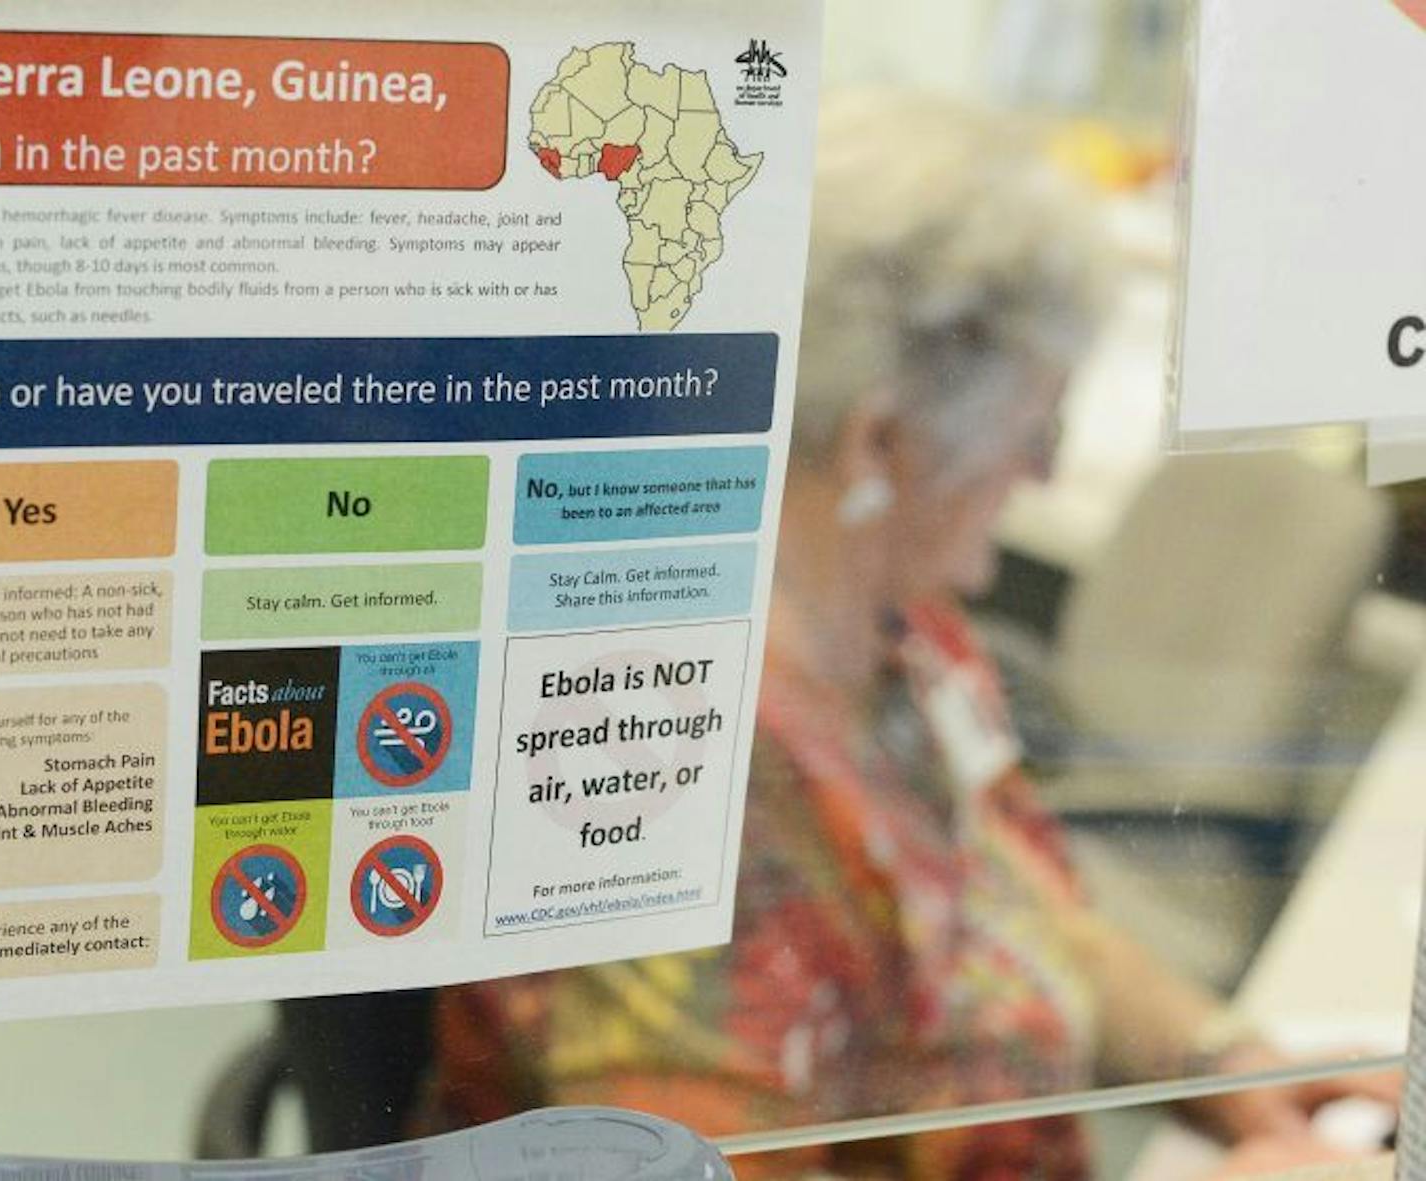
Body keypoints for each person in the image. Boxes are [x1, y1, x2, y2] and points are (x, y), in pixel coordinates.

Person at [429, 92, 1395, 1178]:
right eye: (1036, 429)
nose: (1043, 472)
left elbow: (1020, 914)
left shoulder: (905, 636)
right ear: (880, 441)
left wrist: (1224, 1062)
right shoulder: (673, 771)